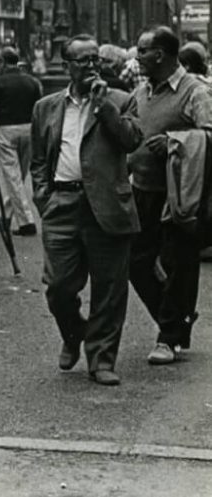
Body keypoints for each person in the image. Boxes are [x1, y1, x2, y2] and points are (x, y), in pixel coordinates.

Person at [30, 35, 142, 387]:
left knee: (109, 288)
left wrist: (105, 107)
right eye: (83, 61)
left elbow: (131, 140)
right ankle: (74, 331)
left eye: (96, 60)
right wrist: (44, 197)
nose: (92, 66)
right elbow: (37, 159)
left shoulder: (121, 99)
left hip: (107, 206)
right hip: (62, 205)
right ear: (67, 66)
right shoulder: (46, 107)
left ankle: (101, 359)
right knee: (59, 287)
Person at [127, 25, 212, 365]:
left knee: (180, 263)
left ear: (159, 54)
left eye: (142, 51)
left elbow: (209, 133)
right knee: (136, 261)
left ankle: (169, 336)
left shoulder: (195, 92)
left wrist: (175, 142)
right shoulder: (141, 91)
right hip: (143, 189)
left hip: (180, 194)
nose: (137, 57)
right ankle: (176, 317)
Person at [0, 46, 43, 237]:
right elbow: (39, 108)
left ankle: (26, 221)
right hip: (29, 128)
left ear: (2, 62)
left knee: (12, 176)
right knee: (19, 176)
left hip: (6, 129)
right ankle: (7, 216)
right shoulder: (32, 82)